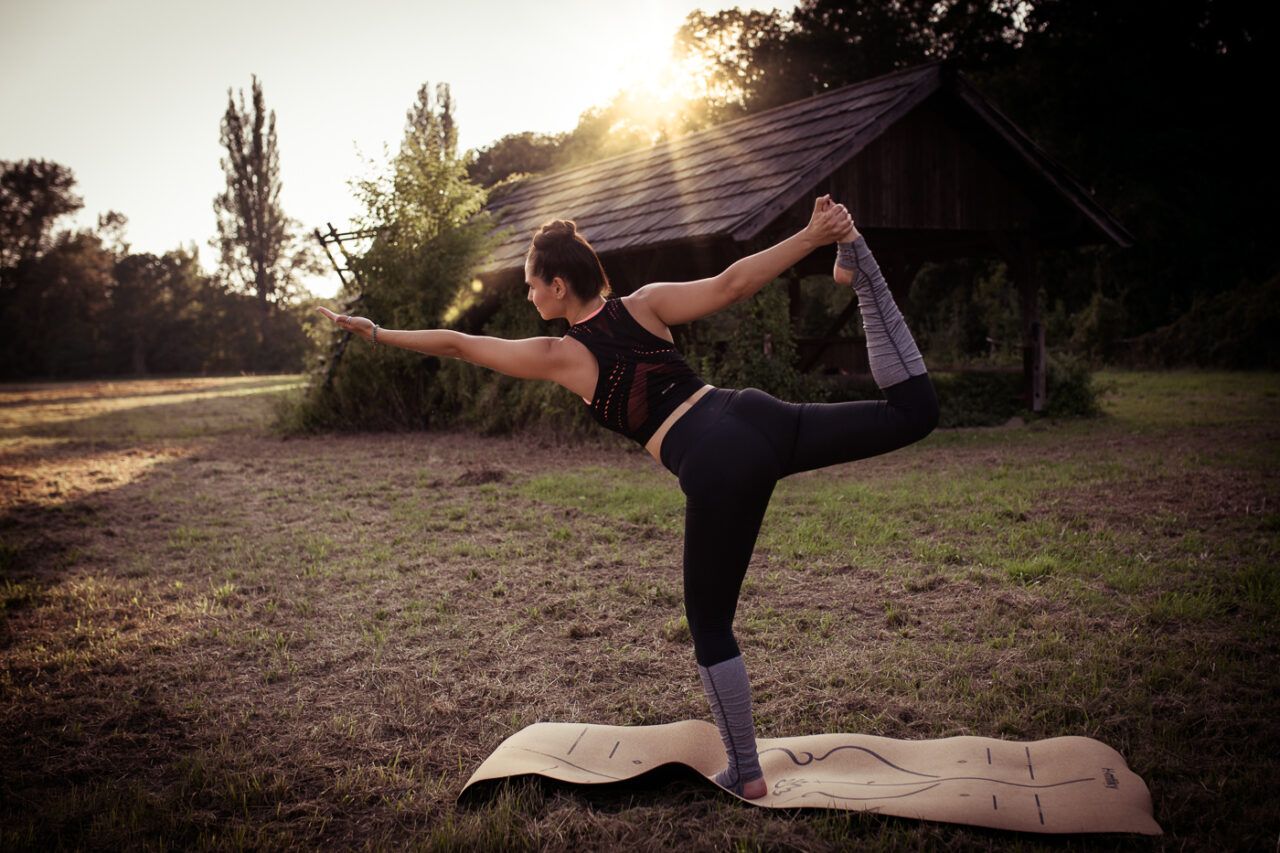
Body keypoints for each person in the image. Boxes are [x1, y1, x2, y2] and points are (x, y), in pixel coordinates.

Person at [319, 196, 938, 799]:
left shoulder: (562, 356)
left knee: (709, 624)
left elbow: (457, 344)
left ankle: (747, 772)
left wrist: (377, 333)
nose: (529, 295)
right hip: (755, 414)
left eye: (533, 285)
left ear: (559, 286)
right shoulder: (646, 305)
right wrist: (813, 236)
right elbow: (730, 285)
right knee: (913, 414)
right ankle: (858, 260)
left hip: (719, 465)